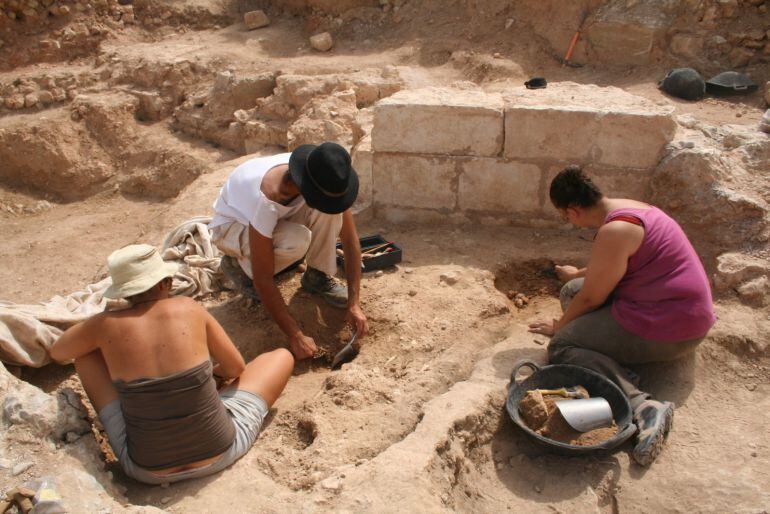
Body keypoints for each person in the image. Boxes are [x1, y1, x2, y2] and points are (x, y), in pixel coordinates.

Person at [50, 244, 294, 484]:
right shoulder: (189, 308)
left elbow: (59, 352)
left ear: (122, 292)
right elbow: (235, 368)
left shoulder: (103, 325)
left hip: (145, 470)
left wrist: (102, 333)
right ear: (164, 283)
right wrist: (214, 378)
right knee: (280, 356)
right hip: (220, 452)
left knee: (86, 356)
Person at [529, 166, 715, 466]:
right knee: (571, 291)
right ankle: (612, 361)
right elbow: (612, 265)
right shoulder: (632, 209)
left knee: (563, 346)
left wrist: (559, 327)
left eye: (564, 216)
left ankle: (643, 405)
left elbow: (592, 298)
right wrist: (577, 274)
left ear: (573, 211)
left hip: (672, 325)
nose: (568, 221)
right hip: (681, 308)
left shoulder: (615, 231)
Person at [209, 142, 368, 360]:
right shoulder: (266, 198)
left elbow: (350, 241)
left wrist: (354, 303)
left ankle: (317, 276)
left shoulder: (321, 172)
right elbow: (264, 279)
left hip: (272, 219)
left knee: (332, 212)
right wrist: (296, 335)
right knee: (297, 240)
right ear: (308, 189)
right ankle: (238, 268)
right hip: (232, 225)